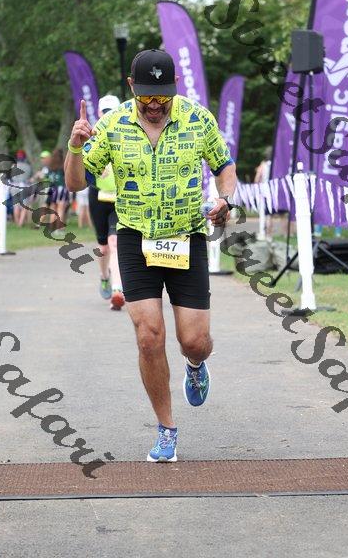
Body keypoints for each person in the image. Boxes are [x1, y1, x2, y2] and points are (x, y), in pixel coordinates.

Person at [65, 49, 236, 462]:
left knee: (194, 341)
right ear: (131, 87)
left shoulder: (198, 119)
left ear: (175, 86)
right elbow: (75, 184)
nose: (155, 104)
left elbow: (224, 168)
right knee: (148, 337)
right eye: (146, 96)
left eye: (162, 95)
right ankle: (166, 429)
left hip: (187, 238)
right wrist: (74, 146)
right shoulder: (113, 125)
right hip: (135, 240)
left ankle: (195, 365)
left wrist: (225, 199)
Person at [88, 94, 124, 309]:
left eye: (113, 112)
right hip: (98, 197)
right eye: (105, 112)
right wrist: (95, 169)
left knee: (115, 243)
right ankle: (104, 276)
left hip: (120, 198)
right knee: (103, 248)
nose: (109, 116)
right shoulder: (92, 136)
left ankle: (117, 291)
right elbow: (81, 166)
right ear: (99, 113)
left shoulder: (128, 134)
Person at [10, 150, 32, 227]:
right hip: (24, 186)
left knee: (16, 205)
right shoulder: (28, 166)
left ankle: (17, 222)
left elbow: (11, 177)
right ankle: (20, 223)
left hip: (14, 186)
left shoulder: (13, 166)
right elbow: (29, 177)